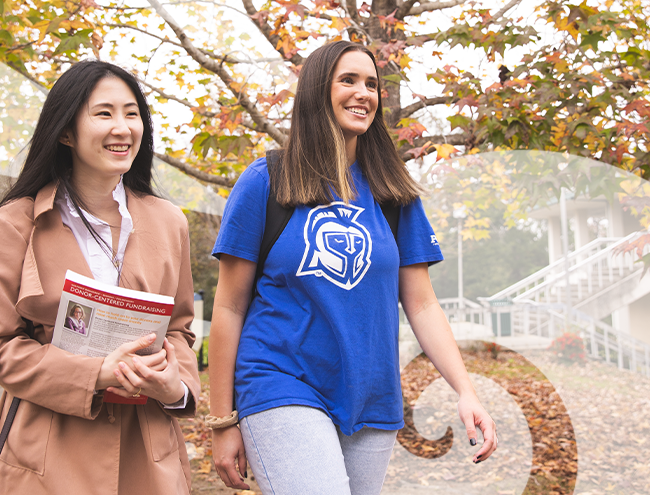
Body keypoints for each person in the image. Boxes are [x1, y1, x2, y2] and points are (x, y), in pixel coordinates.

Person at [208, 41, 498, 494]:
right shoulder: (268, 179)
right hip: (281, 380)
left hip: (371, 394)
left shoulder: (393, 193)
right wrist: (222, 419)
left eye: (371, 84)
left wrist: (466, 390)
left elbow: (422, 305)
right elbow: (228, 308)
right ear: (317, 91)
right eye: (348, 80)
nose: (363, 93)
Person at [0, 60, 199, 494]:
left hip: (146, 446)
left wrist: (177, 388)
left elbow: (180, 330)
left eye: (132, 114)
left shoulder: (169, 221)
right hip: (48, 448)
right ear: (65, 131)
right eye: (104, 113)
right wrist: (95, 374)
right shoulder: (15, 222)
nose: (123, 128)